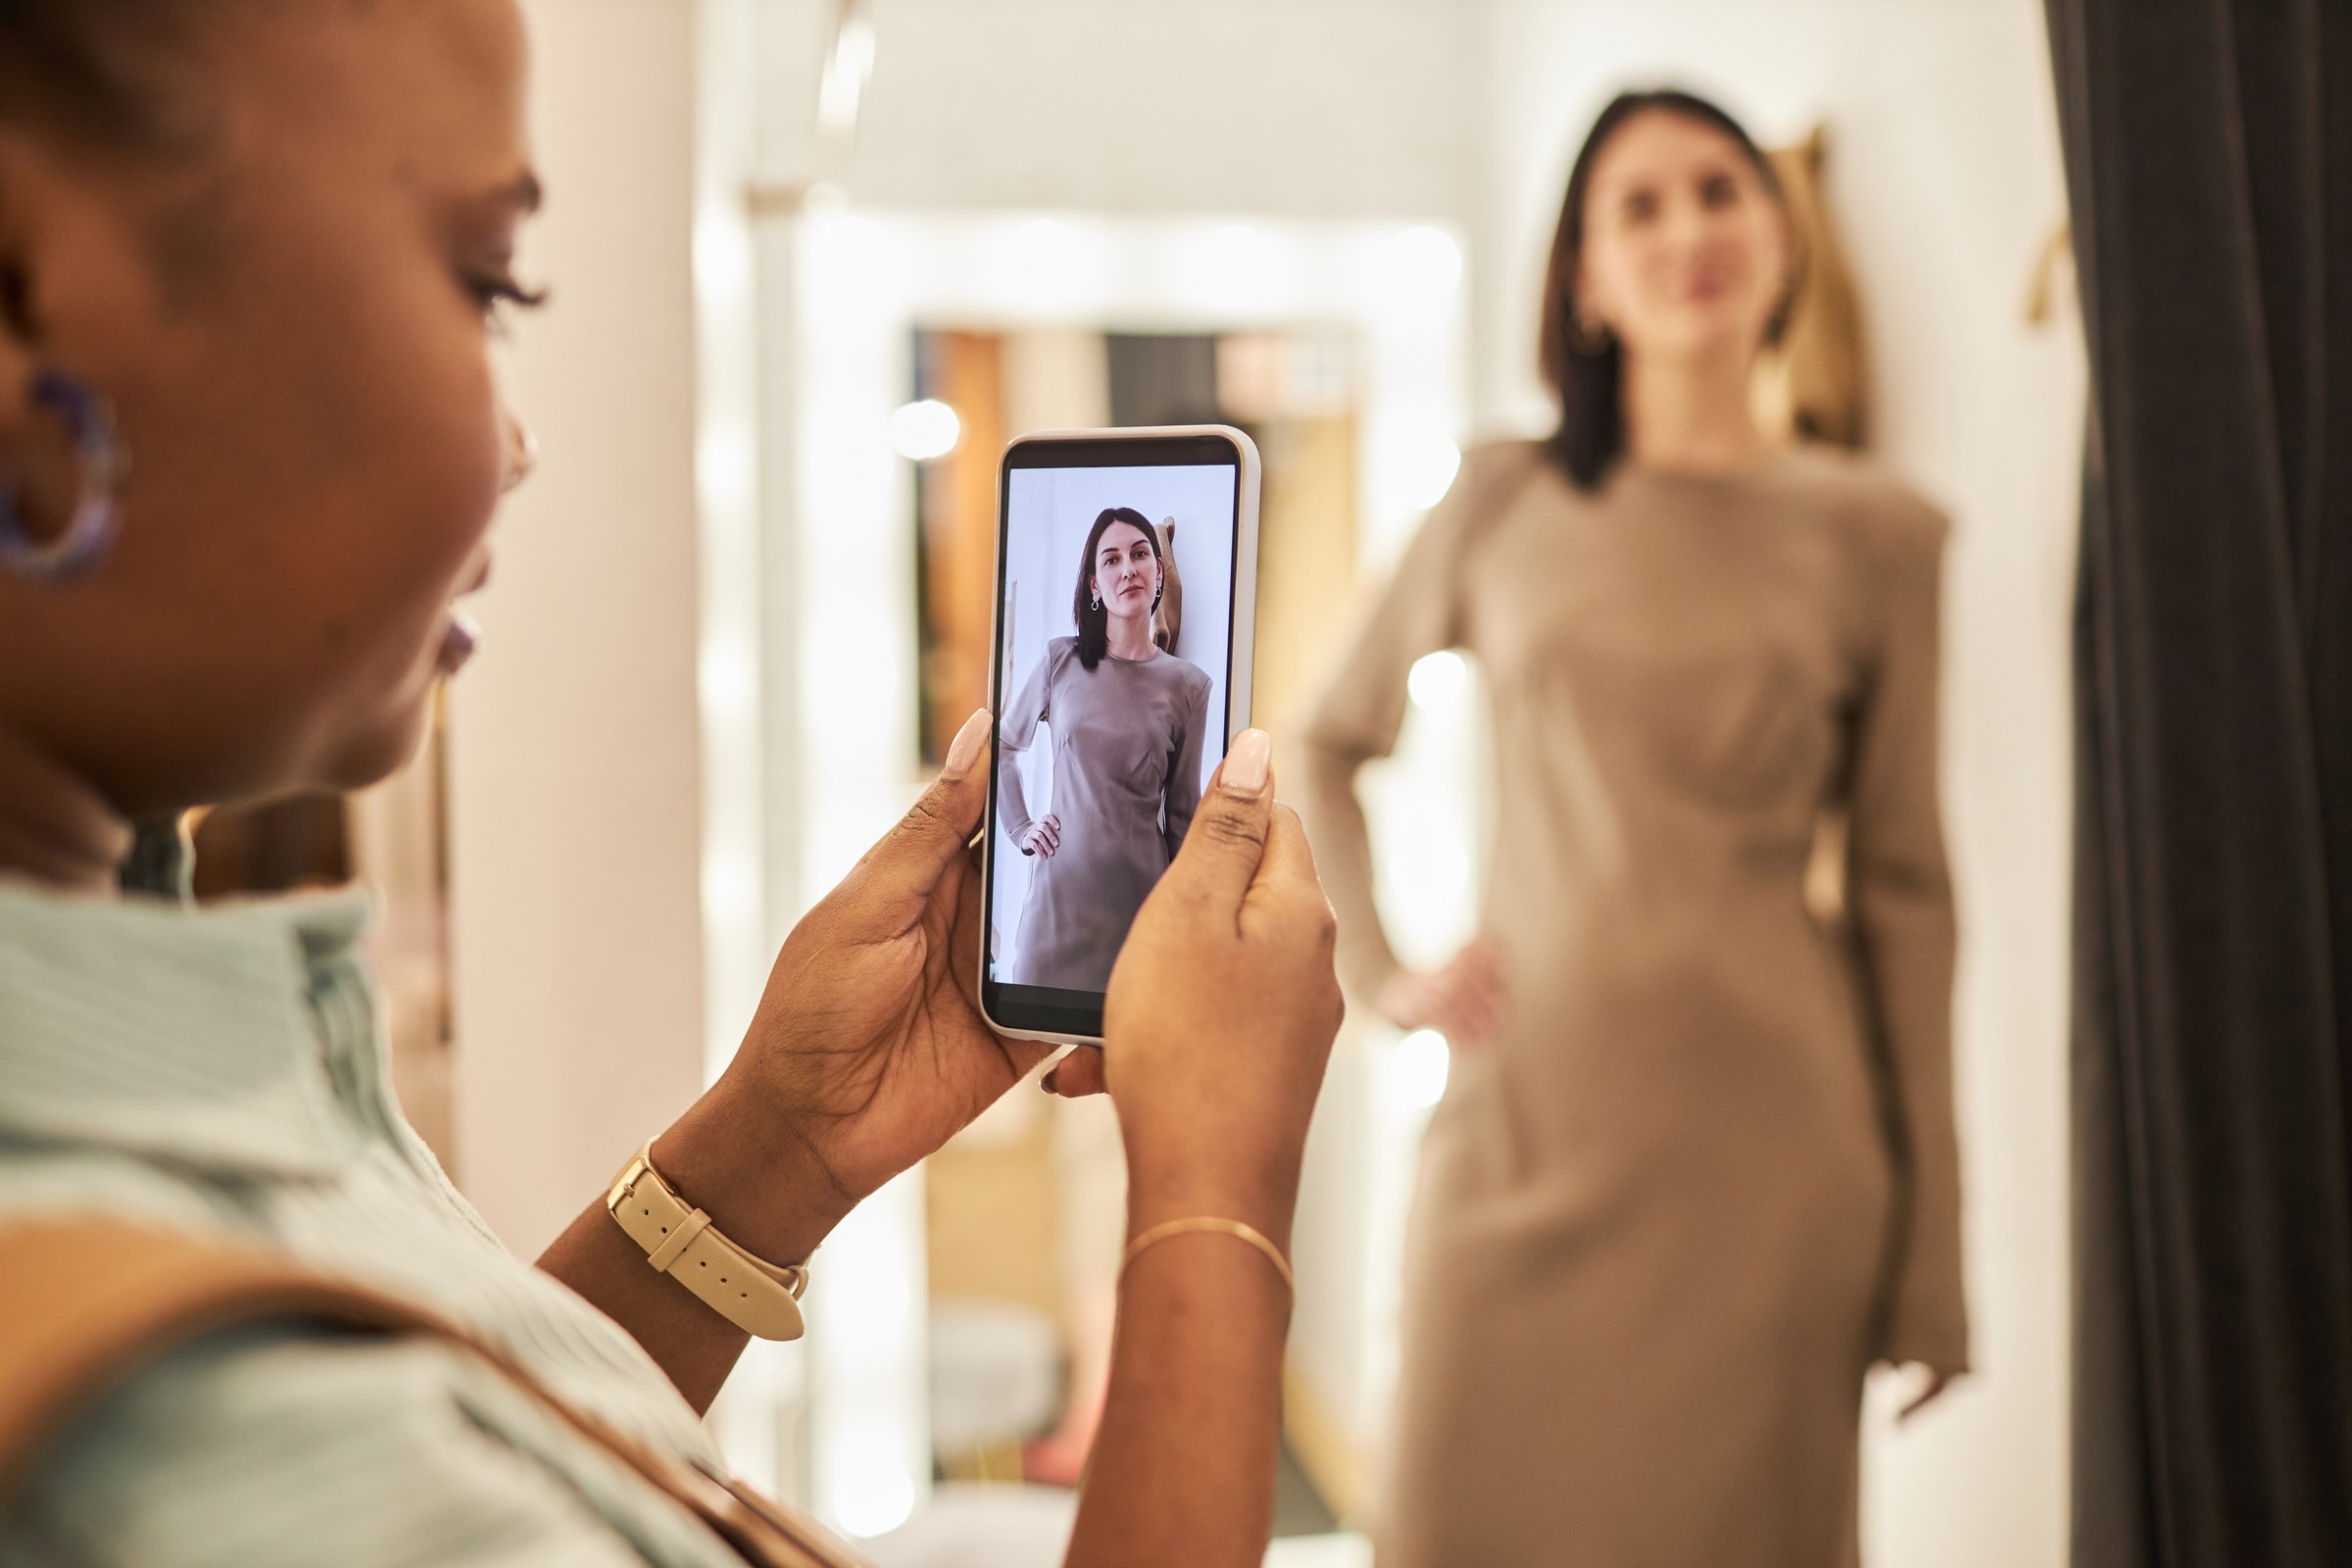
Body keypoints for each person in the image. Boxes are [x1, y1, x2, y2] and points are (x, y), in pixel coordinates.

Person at [0, 4, 1343, 1566]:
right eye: (485, 281)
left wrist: (777, 1148)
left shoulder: (195, 1071)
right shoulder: (155, 1437)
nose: (518, 443)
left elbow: (481, 1448)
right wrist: (1216, 1202)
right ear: (29, 314)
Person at [1301, 88, 1969, 1566]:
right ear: (1585, 280)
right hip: (1521, 1139)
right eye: (1640, 206)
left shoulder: (1881, 540)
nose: (1688, 231)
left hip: (1777, 1168)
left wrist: (1935, 1256)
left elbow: (1909, 897)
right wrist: (1383, 977)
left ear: (1784, 237)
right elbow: (1326, 744)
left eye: (1721, 190)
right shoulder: (1502, 497)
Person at [997, 507, 1213, 990]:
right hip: (1055, 916)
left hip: (1142, 917)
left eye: (1140, 554)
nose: (1128, 568)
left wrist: (1192, 925)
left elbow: (1183, 816)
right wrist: (1021, 828)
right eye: (1111, 560)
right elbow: (1004, 746)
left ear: (1159, 571)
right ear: (1095, 586)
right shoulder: (1060, 660)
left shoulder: (1189, 686)